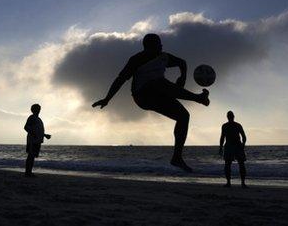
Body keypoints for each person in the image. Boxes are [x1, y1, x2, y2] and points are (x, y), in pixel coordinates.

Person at [92, 33, 210, 172]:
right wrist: (107, 99)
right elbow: (120, 79)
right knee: (158, 82)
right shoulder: (137, 59)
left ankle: (177, 157)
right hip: (142, 96)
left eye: (160, 44)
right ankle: (198, 98)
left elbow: (182, 63)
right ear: (148, 47)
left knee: (184, 116)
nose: (161, 46)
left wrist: (182, 78)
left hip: (160, 95)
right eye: (158, 44)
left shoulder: (164, 57)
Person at [219, 111, 247, 188]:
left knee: (241, 164)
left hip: (237, 146)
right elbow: (222, 137)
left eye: (231, 116)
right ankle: (229, 182)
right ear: (227, 117)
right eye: (229, 116)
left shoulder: (238, 125)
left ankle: (242, 183)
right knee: (228, 165)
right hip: (229, 146)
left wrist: (243, 145)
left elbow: (244, 137)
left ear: (233, 116)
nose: (230, 117)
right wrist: (221, 147)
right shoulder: (225, 126)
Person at [24, 104, 51, 177]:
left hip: (37, 140)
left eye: (39, 109)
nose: (39, 110)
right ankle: (28, 173)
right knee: (31, 156)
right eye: (37, 109)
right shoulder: (32, 117)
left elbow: (38, 131)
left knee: (32, 156)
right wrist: (33, 134)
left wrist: (45, 135)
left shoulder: (38, 119)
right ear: (33, 110)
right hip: (32, 140)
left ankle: (29, 172)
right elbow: (26, 127)